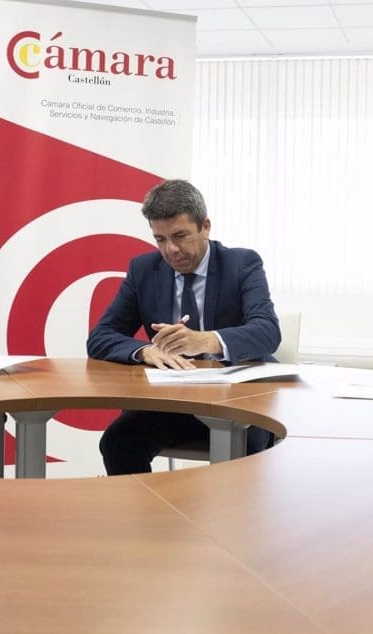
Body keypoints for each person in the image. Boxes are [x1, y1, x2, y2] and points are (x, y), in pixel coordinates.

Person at [87, 179, 281, 475]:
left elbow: (267, 331)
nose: (171, 250)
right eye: (160, 239)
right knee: (118, 442)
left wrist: (205, 340)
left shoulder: (241, 264)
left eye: (180, 236)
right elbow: (101, 336)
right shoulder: (144, 270)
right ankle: (150, 508)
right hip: (176, 403)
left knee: (243, 454)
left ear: (205, 226)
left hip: (241, 402)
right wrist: (145, 351)